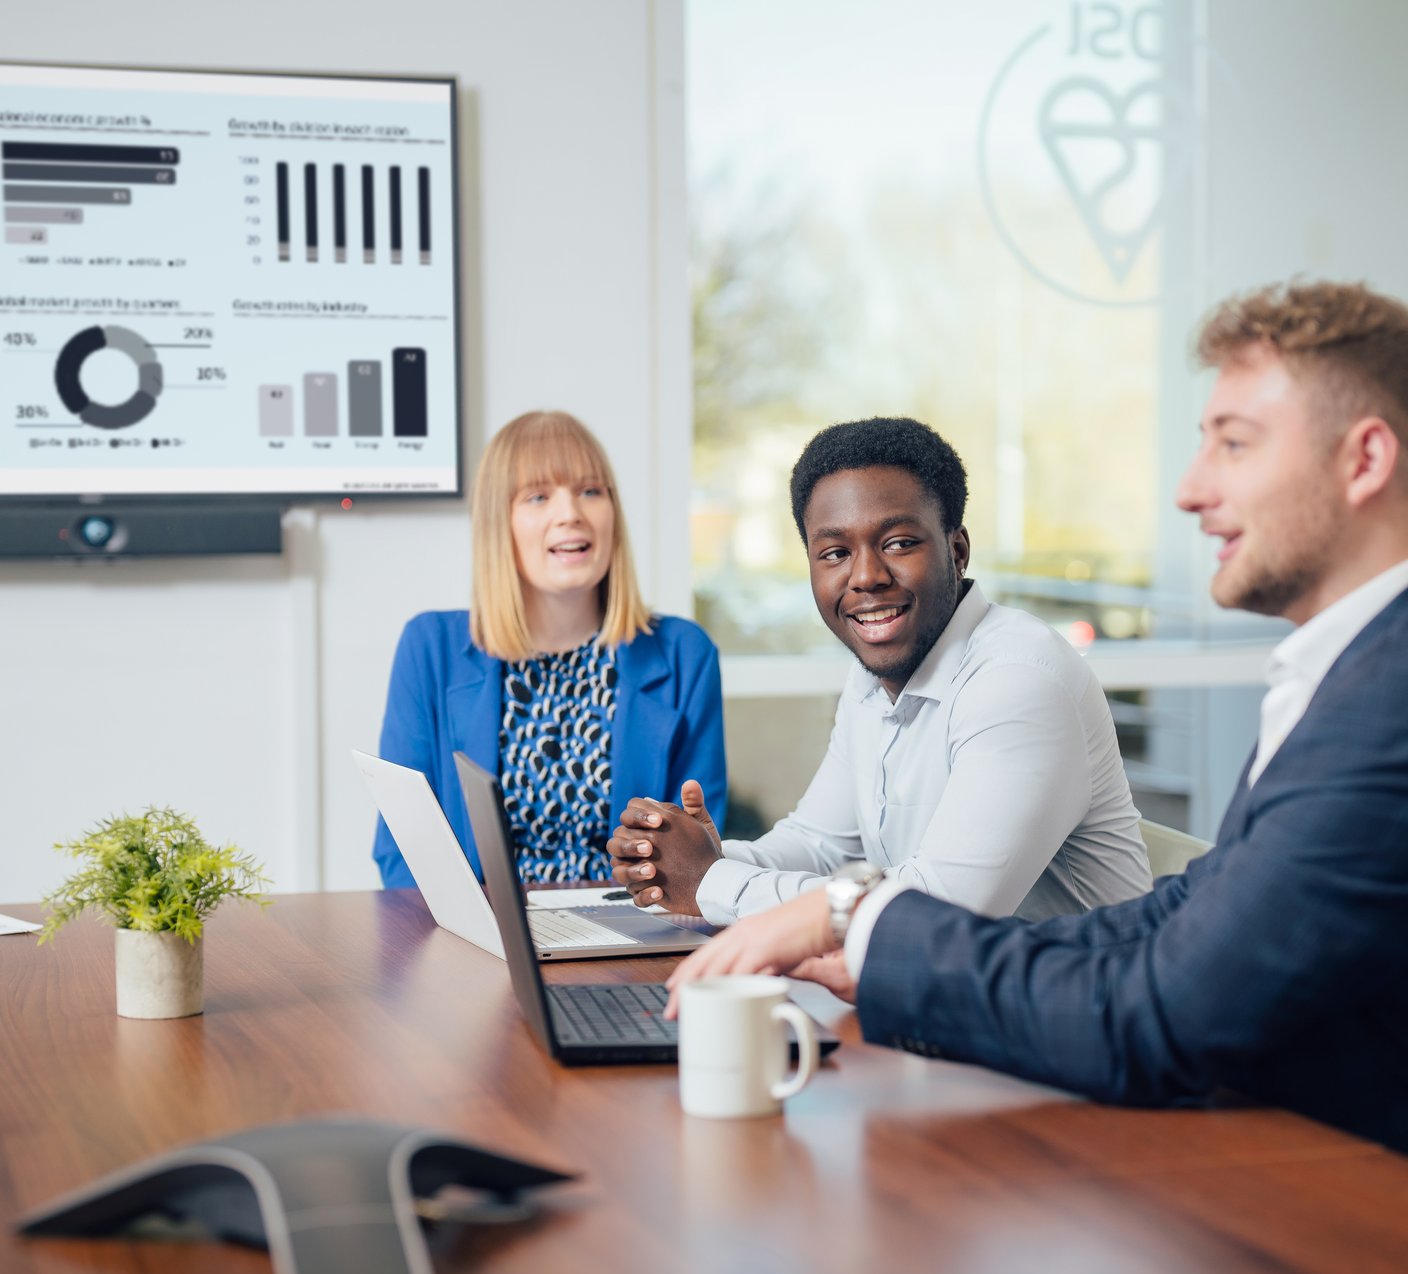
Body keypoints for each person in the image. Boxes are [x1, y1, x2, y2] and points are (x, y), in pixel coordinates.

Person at [666, 281, 1408, 1153]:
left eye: (1234, 445)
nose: (1190, 490)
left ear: (1362, 461)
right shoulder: (1343, 673)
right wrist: (849, 920)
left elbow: (1162, 1012)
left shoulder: (1383, 707)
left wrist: (853, 921)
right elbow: (1175, 920)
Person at [608, 417, 1152, 925]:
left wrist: (711, 881)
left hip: (1068, 1016)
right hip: (946, 1004)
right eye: (835, 552)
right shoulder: (874, 675)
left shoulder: (1018, 680)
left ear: (957, 550)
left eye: (898, 543)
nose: (865, 576)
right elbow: (825, 845)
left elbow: (936, 913)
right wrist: (693, 857)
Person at [374, 410, 726, 887]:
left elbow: (700, 856)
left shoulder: (686, 654)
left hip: (634, 941)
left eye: (590, 491)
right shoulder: (430, 648)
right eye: (539, 496)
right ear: (501, 524)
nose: (570, 514)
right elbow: (403, 855)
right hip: (483, 945)